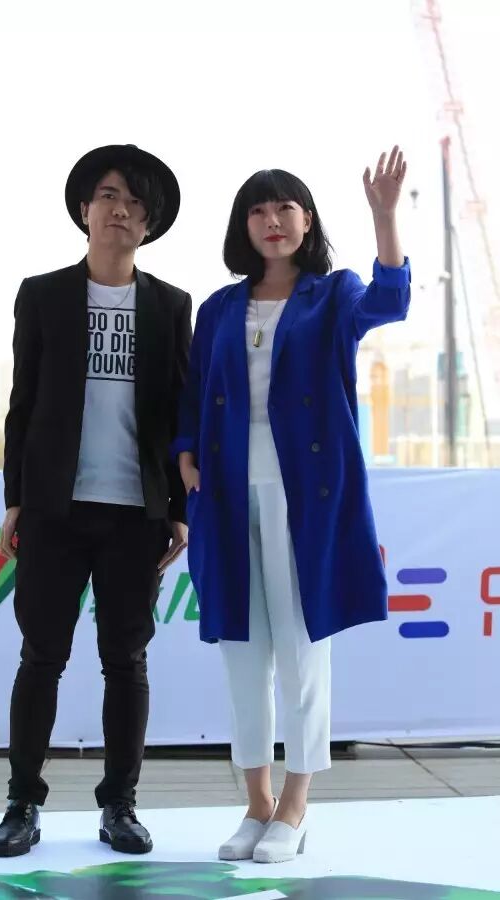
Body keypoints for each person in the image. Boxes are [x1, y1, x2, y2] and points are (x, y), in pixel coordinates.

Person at [173, 146, 410, 864]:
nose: (272, 220)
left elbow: (390, 302)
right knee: (242, 654)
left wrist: (385, 217)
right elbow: (191, 393)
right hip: (224, 496)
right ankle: (256, 804)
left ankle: (296, 807)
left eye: (285, 207)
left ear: (307, 221)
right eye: (258, 210)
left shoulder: (333, 294)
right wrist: (184, 454)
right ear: (242, 225)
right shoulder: (218, 307)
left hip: (306, 497)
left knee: (304, 654)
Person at [0, 144, 191, 858]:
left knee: (125, 661)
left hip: (135, 512)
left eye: (135, 203)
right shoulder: (42, 295)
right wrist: (16, 498)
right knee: (41, 656)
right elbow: (22, 404)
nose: (120, 211)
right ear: (84, 209)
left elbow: (177, 412)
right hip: (55, 508)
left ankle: (120, 805)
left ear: (149, 223)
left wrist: (177, 509)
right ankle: (21, 803)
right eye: (108, 196)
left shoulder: (170, 305)